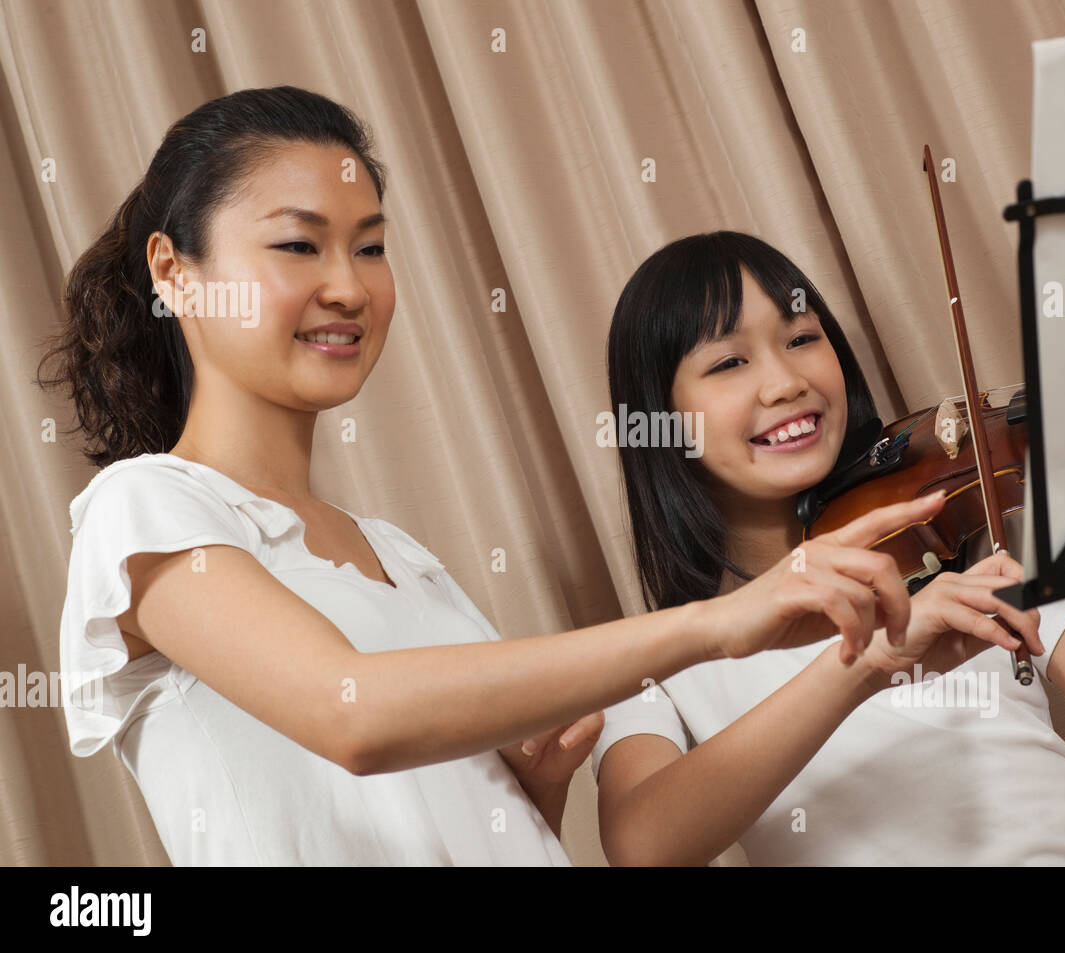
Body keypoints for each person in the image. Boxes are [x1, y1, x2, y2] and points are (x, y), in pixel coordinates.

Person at [37, 90, 943, 866]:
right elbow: (352, 716)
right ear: (174, 273)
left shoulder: (405, 560)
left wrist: (540, 796)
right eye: (298, 246)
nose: (350, 287)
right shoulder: (147, 505)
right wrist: (713, 626)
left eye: (371, 247)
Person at [593, 231, 1065, 866]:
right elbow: (643, 844)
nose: (785, 382)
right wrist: (865, 668)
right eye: (731, 361)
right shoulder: (662, 658)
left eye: (803, 337)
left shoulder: (961, 535)